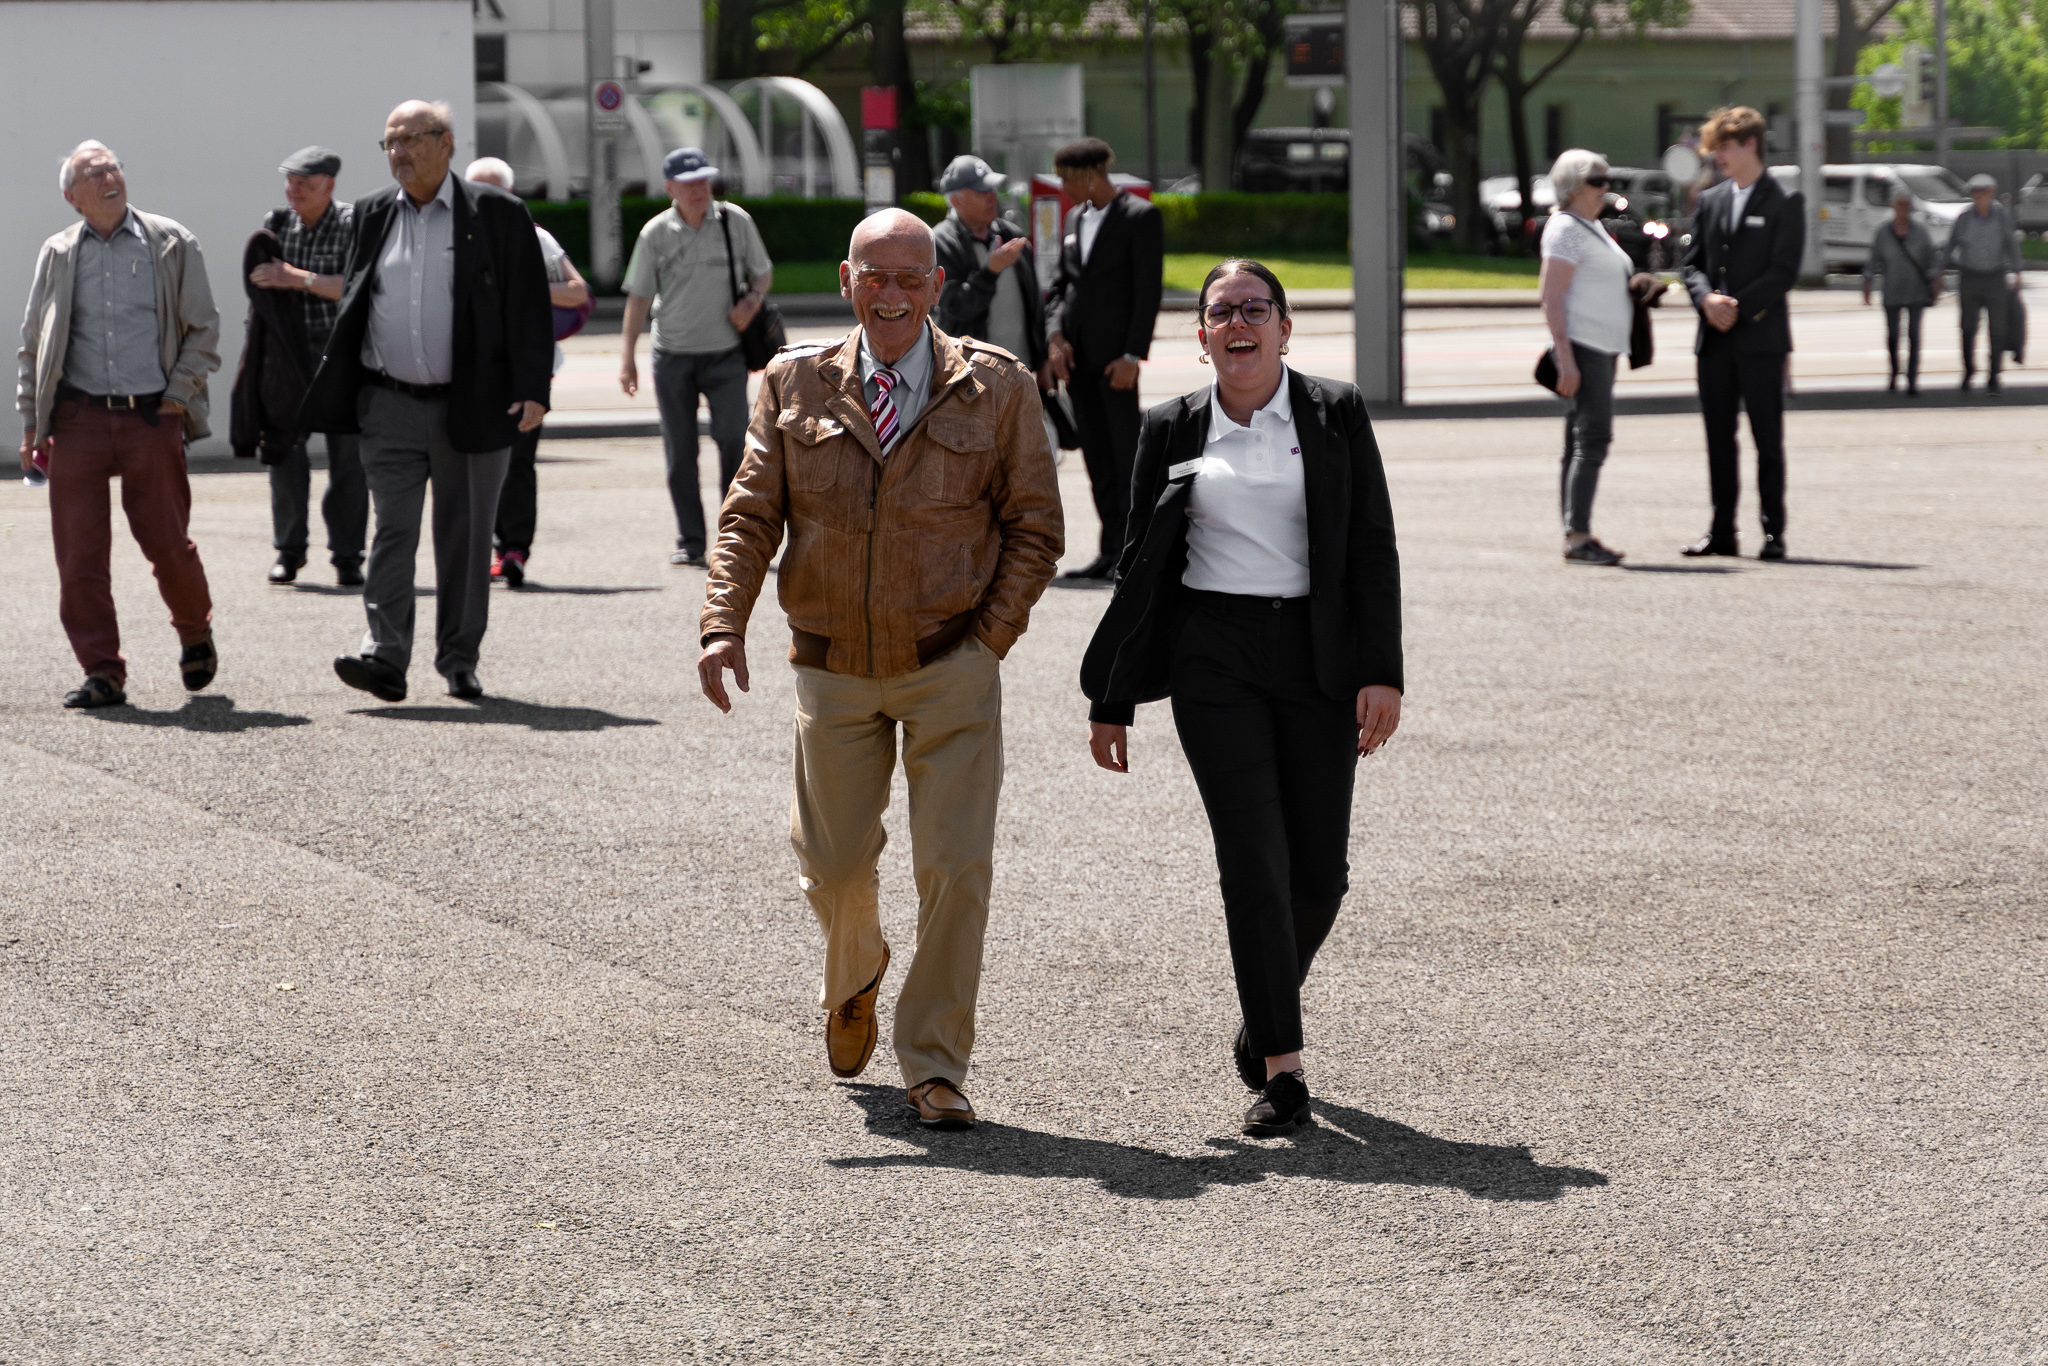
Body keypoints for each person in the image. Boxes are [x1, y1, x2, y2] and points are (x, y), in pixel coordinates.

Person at [696, 210, 1063, 1131]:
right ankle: (856, 967)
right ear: (846, 279)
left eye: (909, 278)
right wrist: (722, 623)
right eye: (874, 276)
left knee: (956, 868)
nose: (891, 295)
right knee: (830, 865)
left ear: (937, 286)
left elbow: (1035, 528)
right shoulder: (793, 380)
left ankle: (934, 1064)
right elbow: (749, 515)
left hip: (951, 664)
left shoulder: (997, 386)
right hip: (833, 669)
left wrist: (987, 642)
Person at [1079, 259, 1402, 1138]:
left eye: (1256, 309)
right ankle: (1283, 1071)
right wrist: (1113, 697)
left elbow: (1372, 547)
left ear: (1285, 329)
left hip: (1317, 659)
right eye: (1222, 312)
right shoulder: (1170, 425)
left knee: (1320, 875)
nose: (1239, 324)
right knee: (1253, 861)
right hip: (1213, 659)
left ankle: (1262, 1012)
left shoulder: (1335, 413)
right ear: (1202, 337)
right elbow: (1140, 569)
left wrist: (1383, 670)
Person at [298, 100, 553, 703]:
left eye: (411, 139)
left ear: (446, 142)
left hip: (474, 402)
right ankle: (384, 655)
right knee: (392, 531)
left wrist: (533, 389)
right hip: (388, 402)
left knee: (464, 537)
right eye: (390, 142)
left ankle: (459, 659)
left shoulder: (497, 213)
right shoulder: (371, 213)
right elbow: (359, 298)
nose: (399, 152)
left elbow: (527, 305)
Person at [16, 140, 220, 709]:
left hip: (151, 416)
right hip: (77, 419)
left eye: (113, 167)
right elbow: (33, 343)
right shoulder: (58, 252)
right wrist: (32, 422)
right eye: (94, 172)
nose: (109, 176)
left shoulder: (171, 242)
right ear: (72, 196)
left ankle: (195, 630)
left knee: (167, 543)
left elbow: (204, 328)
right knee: (79, 555)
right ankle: (102, 671)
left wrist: (178, 397)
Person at [619, 148, 773, 567]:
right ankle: (690, 541)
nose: (699, 190)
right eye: (689, 183)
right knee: (680, 453)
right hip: (672, 357)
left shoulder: (734, 221)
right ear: (670, 188)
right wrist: (627, 357)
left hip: (726, 355)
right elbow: (638, 297)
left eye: (704, 180)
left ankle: (735, 537)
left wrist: (752, 301)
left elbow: (762, 272)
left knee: (734, 443)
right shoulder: (655, 233)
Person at [1678, 105, 1804, 561]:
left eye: (1725, 147)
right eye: (1715, 150)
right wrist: (1706, 300)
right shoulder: (1710, 200)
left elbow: (1783, 271)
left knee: (1767, 439)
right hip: (1714, 339)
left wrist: (1737, 307)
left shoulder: (1785, 201)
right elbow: (1691, 265)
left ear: (1751, 145)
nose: (1718, 157)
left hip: (1760, 339)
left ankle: (1773, 532)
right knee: (1718, 438)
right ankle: (1722, 531)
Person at [463, 156, 590, 587]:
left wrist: (527, 287)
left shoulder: (536, 238)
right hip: (472, 368)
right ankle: (478, 547)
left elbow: (577, 292)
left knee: (518, 460)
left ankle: (513, 549)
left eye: (493, 191)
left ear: (511, 195)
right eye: (475, 191)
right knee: (471, 460)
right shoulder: (454, 234)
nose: (483, 201)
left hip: (526, 368)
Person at [245, 145, 366, 587]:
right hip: (290, 356)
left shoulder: (353, 223)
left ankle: (348, 556)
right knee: (284, 451)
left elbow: (358, 287)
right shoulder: (277, 224)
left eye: (304, 184)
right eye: (290, 182)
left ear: (328, 186)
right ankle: (289, 551)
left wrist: (296, 278)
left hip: (341, 355)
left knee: (348, 460)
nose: (293, 191)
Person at [1044, 137, 1164, 580]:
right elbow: (1062, 287)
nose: (1063, 189)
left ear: (1090, 176)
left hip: (1117, 364)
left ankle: (1133, 555)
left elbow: (1147, 291)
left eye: (1067, 180)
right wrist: (1055, 336)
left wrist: (1133, 354)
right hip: (1078, 364)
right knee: (1096, 461)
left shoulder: (1141, 217)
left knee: (1125, 461)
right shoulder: (1075, 218)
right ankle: (1109, 550)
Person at [1539, 148, 1635, 567]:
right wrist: (1565, 357)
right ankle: (1578, 537)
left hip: (1602, 347)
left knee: (1579, 440)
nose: (1605, 187)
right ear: (1573, 186)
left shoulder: (1589, 226)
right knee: (1593, 438)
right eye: (1597, 180)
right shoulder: (1566, 228)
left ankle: (1574, 530)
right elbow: (1551, 296)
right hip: (1584, 346)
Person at [932, 154, 1047, 383]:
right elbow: (954, 308)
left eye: (992, 190)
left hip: (1021, 369)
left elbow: (1035, 302)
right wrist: (990, 272)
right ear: (955, 200)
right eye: (981, 192)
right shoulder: (940, 242)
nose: (992, 198)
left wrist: (1043, 360)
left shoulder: (1011, 234)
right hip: (971, 375)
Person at [1942, 173, 2023, 393]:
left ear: (1991, 193)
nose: (1979, 197)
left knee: (1997, 329)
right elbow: (1951, 244)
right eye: (1975, 193)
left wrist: (2017, 271)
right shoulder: (1964, 218)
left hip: (1995, 277)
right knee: (1968, 328)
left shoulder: (2001, 217)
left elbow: (2011, 244)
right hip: (1970, 277)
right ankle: (1969, 370)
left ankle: (1994, 374)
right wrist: (1940, 270)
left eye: (1984, 193)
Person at [1861, 188, 1941, 396]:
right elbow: (1873, 259)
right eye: (1900, 204)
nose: (1904, 208)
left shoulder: (1920, 232)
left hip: (1916, 291)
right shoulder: (1883, 233)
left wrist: (1935, 281)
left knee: (1914, 335)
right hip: (1892, 291)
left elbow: (1932, 259)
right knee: (1893, 335)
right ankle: (1894, 373)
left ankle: (1912, 378)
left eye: (1907, 205)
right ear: (1893, 207)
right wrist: (1867, 282)